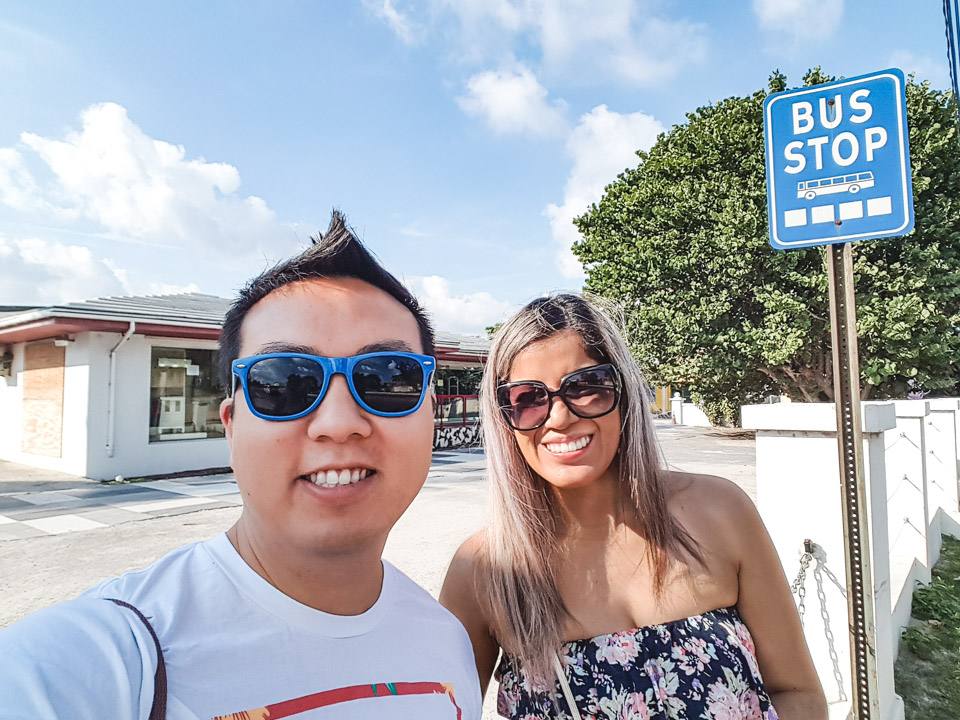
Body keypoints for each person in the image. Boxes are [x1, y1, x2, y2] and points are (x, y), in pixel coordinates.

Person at [0, 211, 482, 720]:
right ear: (231, 426)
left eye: (387, 377)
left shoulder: (446, 643)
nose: (339, 423)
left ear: (431, 413)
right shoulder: (102, 660)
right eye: (285, 382)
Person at [440, 293, 826, 720]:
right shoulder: (482, 569)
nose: (559, 417)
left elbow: (797, 691)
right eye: (527, 398)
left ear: (623, 391)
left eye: (586, 386)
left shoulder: (720, 513)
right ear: (504, 419)